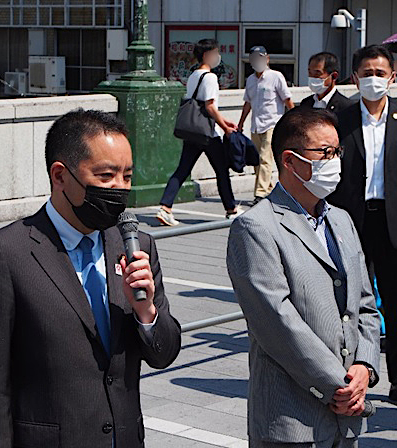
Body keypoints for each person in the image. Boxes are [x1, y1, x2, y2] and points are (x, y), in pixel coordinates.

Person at [0, 109, 182, 447]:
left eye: (127, 176)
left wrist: (147, 312)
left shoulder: (135, 244)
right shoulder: (5, 254)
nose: (119, 188)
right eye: (106, 176)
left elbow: (163, 354)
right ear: (60, 176)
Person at [227, 107, 381, 448]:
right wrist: (338, 385)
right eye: (324, 153)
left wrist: (364, 367)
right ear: (290, 160)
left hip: (347, 414)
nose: (335, 160)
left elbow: (365, 305)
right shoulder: (256, 227)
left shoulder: (341, 220)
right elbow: (277, 324)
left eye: (337, 151)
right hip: (291, 419)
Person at [329, 44, 397, 413]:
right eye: (366, 72)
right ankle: (346, 373)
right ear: (355, 77)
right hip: (348, 221)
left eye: (380, 72)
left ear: (393, 77)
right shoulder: (338, 119)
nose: (374, 79)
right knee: (346, 302)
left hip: (395, 222)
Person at [157, 39, 241, 226]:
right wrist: (225, 127)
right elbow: (210, 106)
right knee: (221, 170)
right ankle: (231, 209)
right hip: (208, 133)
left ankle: (165, 207)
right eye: (215, 53)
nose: (218, 57)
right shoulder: (210, 77)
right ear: (206, 55)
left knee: (182, 169)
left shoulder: (194, 75)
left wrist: (223, 120)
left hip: (194, 131)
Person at [237, 46, 294, 206]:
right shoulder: (250, 80)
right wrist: (240, 123)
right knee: (257, 160)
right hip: (256, 125)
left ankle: (260, 193)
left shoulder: (275, 77)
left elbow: (287, 99)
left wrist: (295, 119)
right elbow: (247, 102)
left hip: (273, 123)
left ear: (267, 59)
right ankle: (268, 189)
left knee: (265, 158)